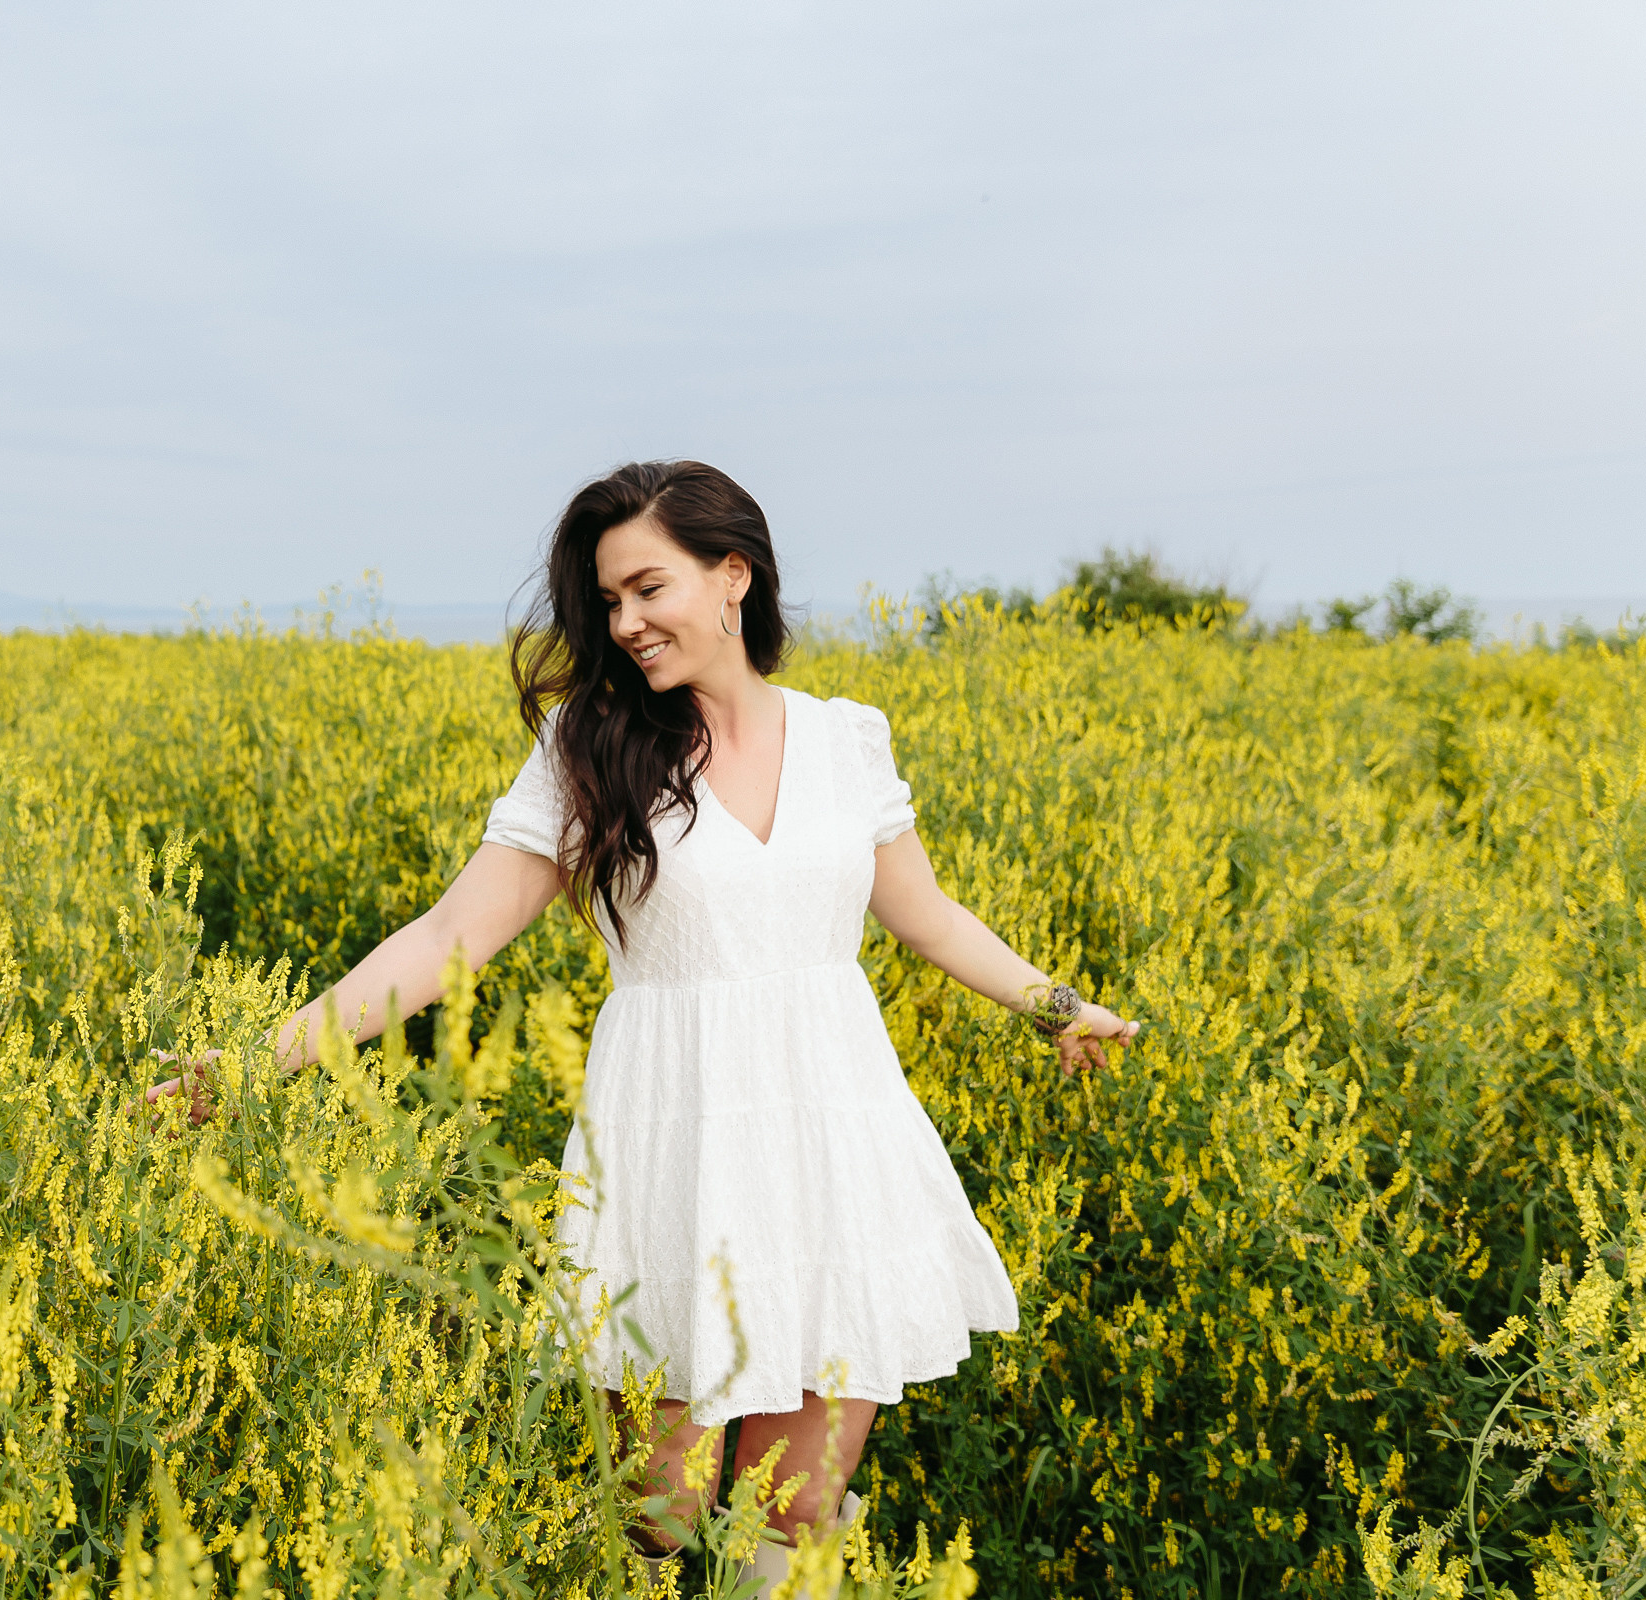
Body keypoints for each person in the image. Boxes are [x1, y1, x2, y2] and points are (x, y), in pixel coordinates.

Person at [147, 459, 1139, 1586]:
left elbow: (927, 913)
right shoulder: (591, 749)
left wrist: (1060, 1004)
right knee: (660, 1514)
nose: (623, 623)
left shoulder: (848, 738)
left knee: (799, 1506)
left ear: (733, 577)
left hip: (834, 1133)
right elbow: (444, 938)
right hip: (676, 1139)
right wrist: (256, 1061)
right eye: (608, 600)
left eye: (646, 589)